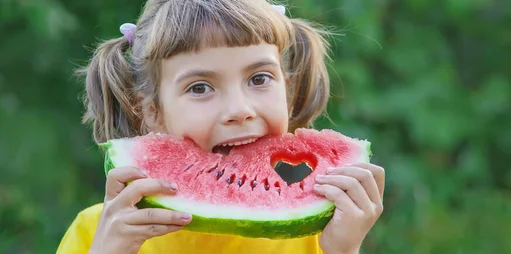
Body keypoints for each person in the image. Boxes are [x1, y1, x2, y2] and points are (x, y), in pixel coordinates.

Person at [56, 0, 385, 253]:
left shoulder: (322, 236)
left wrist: (345, 250)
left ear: (286, 88)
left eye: (259, 78)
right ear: (151, 111)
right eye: (200, 87)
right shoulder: (96, 232)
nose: (239, 110)